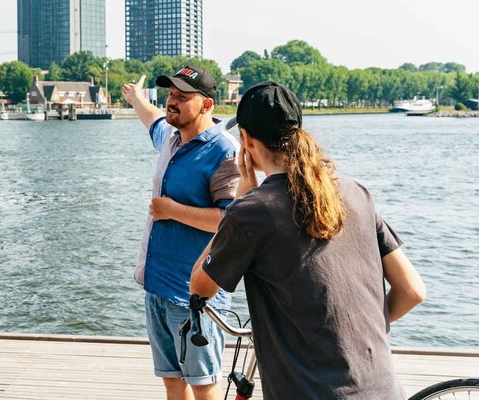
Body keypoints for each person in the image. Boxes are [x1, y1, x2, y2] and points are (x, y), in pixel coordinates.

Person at [190, 81, 426, 399]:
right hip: (384, 389)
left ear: (245, 140)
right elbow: (413, 291)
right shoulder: (356, 192)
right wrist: (351, 332)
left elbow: (200, 286)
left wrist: (237, 202)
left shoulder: (252, 211)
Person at [122, 66, 240, 400]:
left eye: (182, 97)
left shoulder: (223, 152)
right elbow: (153, 118)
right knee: (172, 381)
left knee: (204, 385)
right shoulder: (170, 138)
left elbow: (230, 222)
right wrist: (135, 98)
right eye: (171, 94)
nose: (172, 102)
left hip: (195, 295)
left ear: (206, 105)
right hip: (157, 286)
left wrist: (171, 210)